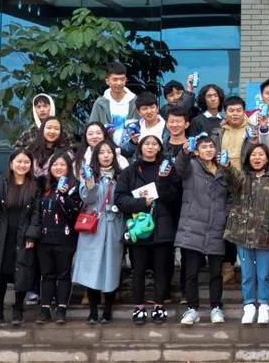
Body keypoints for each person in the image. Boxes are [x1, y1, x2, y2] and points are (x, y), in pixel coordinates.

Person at [114, 134, 180, 325]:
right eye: (147, 144)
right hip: (138, 226)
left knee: (162, 269)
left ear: (160, 148)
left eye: (154, 144)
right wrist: (143, 202)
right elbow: (120, 199)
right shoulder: (130, 171)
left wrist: (164, 183)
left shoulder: (168, 169)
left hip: (163, 226)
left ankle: (159, 306)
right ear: (140, 147)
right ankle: (139, 307)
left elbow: (175, 196)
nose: (150, 147)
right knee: (138, 270)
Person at [175, 134, 237, 325]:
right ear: (197, 151)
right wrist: (184, 152)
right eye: (204, 147)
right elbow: (179, 167)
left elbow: (233, 193)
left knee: (216, 273)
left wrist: (225, 215)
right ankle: (192, 309)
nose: (208, 150)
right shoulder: (191, 166)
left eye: (211, 146)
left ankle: (216, 308)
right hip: (192, 227)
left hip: (217, 227)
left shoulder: (223, 170)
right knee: (191, 272)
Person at [224, 144, 269, 325]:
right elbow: (230, 176)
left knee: (264, 274)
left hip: (266, 236)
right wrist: (226, 165)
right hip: (243, 234)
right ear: (248, 158)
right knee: (248, 274)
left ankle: (264, 305)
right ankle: (249, 305)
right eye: (253, 155)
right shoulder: (242, 178)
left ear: (267, 158)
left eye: (261, 154)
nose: (257, 158)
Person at [0, 149, 38, 326]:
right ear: (11, 164)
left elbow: (36, 214)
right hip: (1, 235)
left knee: (22, 272)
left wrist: (32, 235)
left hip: (23, 235)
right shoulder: (1, 183)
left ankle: (18, 309)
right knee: (0, 272)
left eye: (26, 162)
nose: (22, 165)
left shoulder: (35, 186)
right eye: (19, 161)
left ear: (31, 165)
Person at [72, 140, 125, 324]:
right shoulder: (89, 174)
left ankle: (107, 310)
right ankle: (93, 311)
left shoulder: (121, 175)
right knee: (91, 267)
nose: (105, 155)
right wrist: (89, 183)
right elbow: (88, 199)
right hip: (93, 226)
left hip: (114, 224)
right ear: (96, 156)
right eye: (101, 152)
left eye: (109, 152)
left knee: (112, 267)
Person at [30, 151, 81, 324]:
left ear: (68, 168)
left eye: (62, 164)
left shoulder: (74, 187)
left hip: (65, 238)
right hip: (44, 238)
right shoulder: (44, 187)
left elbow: (74, 212)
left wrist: (64, 195)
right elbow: (37, 212)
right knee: (46, 274)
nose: (58, 168)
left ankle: (61, 309)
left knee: (64, 274)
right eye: (55, 164)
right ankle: (45, 309)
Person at [88, 61, 137, 142]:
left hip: (131, 147)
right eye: (115, 79)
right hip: (106, 147)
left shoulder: (135, 102)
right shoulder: (100, 103)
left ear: (126, 80)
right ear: (107, 81)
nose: (119, 83)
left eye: (122, 79)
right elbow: (91, 128)